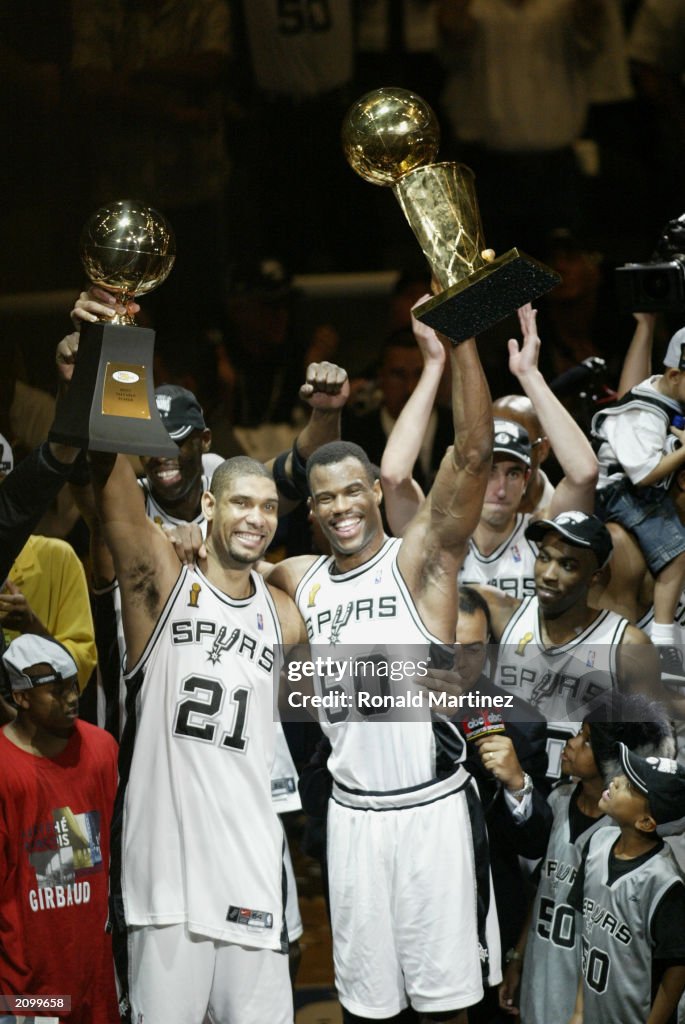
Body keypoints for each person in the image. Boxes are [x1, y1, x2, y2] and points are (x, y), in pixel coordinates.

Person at [58, 326, 312, 1023]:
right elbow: (110, 485)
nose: (255, 517)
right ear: (208, 505)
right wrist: (114, 347)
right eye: (240, 502)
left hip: (253, 863)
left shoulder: (285, 614)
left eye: (267, 506)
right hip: (165, 871)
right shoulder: (161, 583)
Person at [267, 311, 498, 1022]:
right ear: (311, 509)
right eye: (324, 496)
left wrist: (458, 344)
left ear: (375, 492)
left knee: (447, 1007)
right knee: (365, 1007)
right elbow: (226, 562)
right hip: (351, 816)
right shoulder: (296, 578)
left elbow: (470, 453)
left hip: (430, 809)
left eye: (351, 491)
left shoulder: (416, 561)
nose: (340, 506)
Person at [381, 303, 598, 601]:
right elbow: (393, 476)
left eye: (512, 473)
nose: (500, 488)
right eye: (490, 471)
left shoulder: (545, 536)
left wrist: (530, 376)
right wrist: (433, 365)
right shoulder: (439, 539)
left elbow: (585, 474)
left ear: (527, 479)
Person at [500, 694, 675, 1023]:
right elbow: (543, 890)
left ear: (614, 759)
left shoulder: (626, 834)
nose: (573, 741)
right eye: (579, 732)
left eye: (587, 740)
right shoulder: (557, 800)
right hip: (541, 979)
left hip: (588, 998)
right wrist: (518, 957)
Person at [481, 510, 662, 778]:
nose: (549, 574)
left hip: (579, 799)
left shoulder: (628, 647)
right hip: (508, 795)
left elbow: (651, 752)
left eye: (568, 565)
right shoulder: (501, 615)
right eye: (544, 558)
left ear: (596, 577)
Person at [0, 633, 119, 1024]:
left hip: (98, 989)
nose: (71, 698)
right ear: (21, 697)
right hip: (26, 999)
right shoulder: (4, 770)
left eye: (73, 686)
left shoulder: (101, 750)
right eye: (55, 690)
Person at [567, 743, 685, 1024]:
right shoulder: (598, 842)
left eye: (631, 786)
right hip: (594, 1009)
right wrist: (580, 1010)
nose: (616, 780)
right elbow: (591, 940)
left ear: (646, 821)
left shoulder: (665, 882)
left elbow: (678, 969)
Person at [591, 334, 685, 683]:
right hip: (621, 491)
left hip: (638, 489)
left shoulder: (667, 397)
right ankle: (664, 639)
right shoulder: (644, 409)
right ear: (675, 376)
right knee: (676, 553)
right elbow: (644, 475)